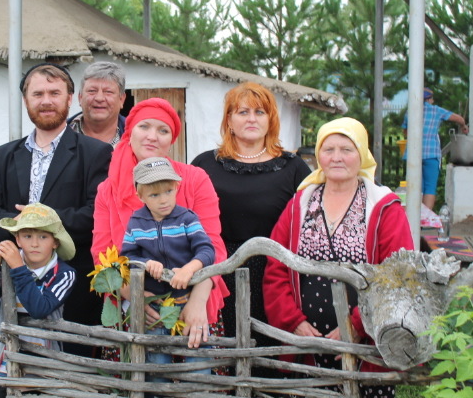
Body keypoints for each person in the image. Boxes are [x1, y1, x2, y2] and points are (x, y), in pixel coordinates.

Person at [263, 117, 414, 397]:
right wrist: (292, 321)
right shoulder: (301, 204)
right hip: (308, 345)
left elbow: (397, 274)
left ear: (362, 154)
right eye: (328, 149)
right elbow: (276, 267)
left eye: (346, 149)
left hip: (363, 346)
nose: (336, 158)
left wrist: (356, 325)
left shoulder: (383, 207)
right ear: (318, 155)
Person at [0, 62, 112, 357]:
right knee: (15, 366)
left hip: (73, 285)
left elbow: (96, 215)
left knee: (71, 372)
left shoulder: (95, 153)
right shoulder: (5, 155)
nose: (46, 101)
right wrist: (18, 227)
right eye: (37, 93)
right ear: (26, 100)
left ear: (70, 98)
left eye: (55, 93)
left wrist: (40, 220)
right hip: (14, 283)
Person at [92, 97, 229, 351]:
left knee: (197, 381)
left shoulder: (194, 179)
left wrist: (197, 302)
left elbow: (213, 247)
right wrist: (132, 295)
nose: (152, 136)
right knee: (142, 384)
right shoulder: (108, 189)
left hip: (194, 300)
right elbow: (102, 252)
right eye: (144, 127)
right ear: (129, 132)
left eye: (162, 130)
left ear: (171, 140)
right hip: (133, 307)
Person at [191, 83, 311, 352]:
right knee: (224, 353)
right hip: (218, 272)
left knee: (270, 353)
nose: (252, 119)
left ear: (271, 120)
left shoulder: (293, 168)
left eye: (260, 112)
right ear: (229, 121)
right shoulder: (204, 164)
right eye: (243, 112)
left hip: (277, 276)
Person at [121, 156, 215, 379]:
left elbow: (207, 251)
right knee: (156, 364)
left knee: (197, 360)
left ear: (176, 187)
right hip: (156, 308)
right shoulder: (136, 223)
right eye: (154, 195)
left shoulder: (186, 219)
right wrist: (146, 264)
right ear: (140, 195)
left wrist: (189, 269)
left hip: (186, 304)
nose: (164, 200)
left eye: (168, 191)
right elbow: (127, 257)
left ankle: (199, 390)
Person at [0, 203, 77, 398]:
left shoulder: (64, 274)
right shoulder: (6, 265)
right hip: (4, 360)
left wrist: (19, 268)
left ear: (55, 242)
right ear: (17, 239)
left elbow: (39, 308)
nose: (35, 244)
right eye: (28, 236)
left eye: (43, 237)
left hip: (43, 364)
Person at [402, 87, 468, 210]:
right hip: (431, 154)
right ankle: (426, 219)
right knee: (430, 187)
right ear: (429, 99)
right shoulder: (436, 111)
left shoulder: (410, 112)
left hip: (413, 154)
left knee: (416, 187)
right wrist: (463, 126)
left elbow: (405, 133)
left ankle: (414, 219)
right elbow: (459, 119)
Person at [68, 61, 127, 146]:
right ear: (80, 98)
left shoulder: (136, 137)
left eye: (108, 92)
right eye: (92, 91)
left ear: (121, 99)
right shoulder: (59, 134)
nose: (99, 98)